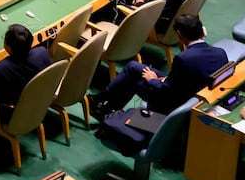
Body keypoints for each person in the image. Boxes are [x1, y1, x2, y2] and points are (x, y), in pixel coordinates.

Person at [91, 15, 227, 119]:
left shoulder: (183, 59)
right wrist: (165, 79)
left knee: (135, 80)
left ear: (179, 34)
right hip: (190, 92)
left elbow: (166, 91)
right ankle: (101, 102)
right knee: (133, 67)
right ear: (201, 31)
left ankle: (104, 109)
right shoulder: (220, 52)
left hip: (172, 102)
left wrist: (152, 80)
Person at [0, 24, 52, 118]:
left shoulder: (2, 68)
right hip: (40, 100)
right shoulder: (42, 52)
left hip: (14, 111)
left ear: (9, 47)